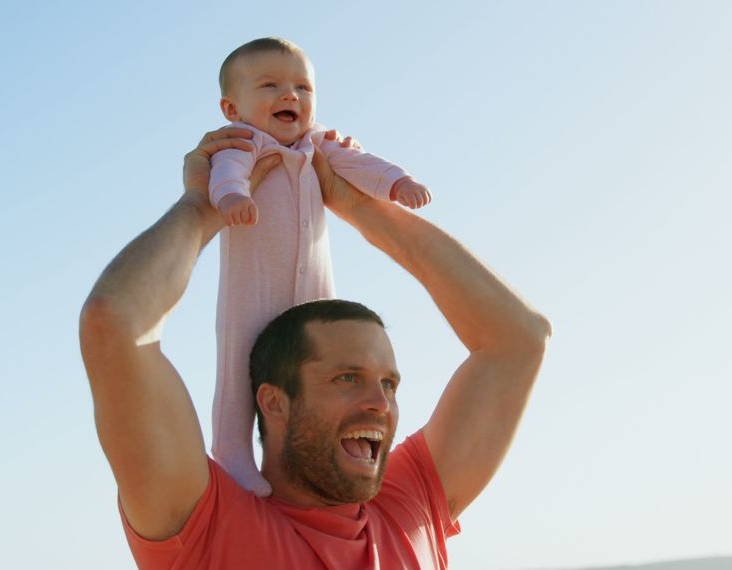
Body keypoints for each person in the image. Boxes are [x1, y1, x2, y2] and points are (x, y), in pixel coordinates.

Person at [79, 126, 550, 568]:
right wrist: (202, 207)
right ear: (274, 402)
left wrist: (357, 205)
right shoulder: (208, 525)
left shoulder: (410, 507)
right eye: (348, 378)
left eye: (389, 383)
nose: (380, 403)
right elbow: (115, 323)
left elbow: (519, 338)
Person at [209, 37, 432, 495]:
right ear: (232, 107)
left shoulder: (320, 145)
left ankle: (316, 459)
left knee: (318, 372)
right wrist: (232, 196)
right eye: (270, 84)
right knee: (238, 369)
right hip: (253, 288)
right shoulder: (241, 145)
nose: (291, 95)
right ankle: (231, 451)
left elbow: (360, 164)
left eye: (303, 87)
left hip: (314, 290)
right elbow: (224, 174)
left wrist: (396, 182)